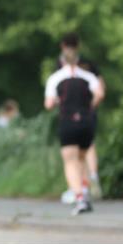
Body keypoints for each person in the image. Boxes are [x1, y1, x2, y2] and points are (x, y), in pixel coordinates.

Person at [45, 37, 103, 216]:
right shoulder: (88, 76)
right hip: (86, 121)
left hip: (68, 121)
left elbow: (48, 104)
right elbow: (100, 94)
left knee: (70, 161)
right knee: (82, 158)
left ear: (62, 60)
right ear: (78, 60)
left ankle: (79, 197)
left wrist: (58, 101)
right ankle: (85, 188)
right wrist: (90, 106)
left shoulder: (55, 78)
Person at [58, 33, 105, 199]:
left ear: (62, 46)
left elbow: (52, 97)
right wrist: (90, 106)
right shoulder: (88, 64)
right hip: (87, 114)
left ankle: (77, 189)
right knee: (87, 147)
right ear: (78, 46)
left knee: (71, 156)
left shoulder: (60, 65)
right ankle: (92, 177)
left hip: (68, 116)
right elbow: (101, 90)